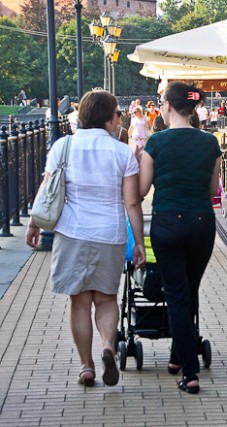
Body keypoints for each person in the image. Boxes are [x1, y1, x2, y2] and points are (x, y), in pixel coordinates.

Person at [25, 90, 145, 388]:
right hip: (110, 234)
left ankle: (86, 366)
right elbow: (131, 202)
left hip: (72, 233)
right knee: (106, 299)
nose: (121, 119)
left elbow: (47, 188)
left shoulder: (63, 146)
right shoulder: (121, 152)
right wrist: (139, 241)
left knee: (79, 302)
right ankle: (108, 345)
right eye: (118, 114)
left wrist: (33, 224)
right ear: (107, 118)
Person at [139, 82, 222, 395]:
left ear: (168, 107)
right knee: (190, 289)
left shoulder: (156, 142)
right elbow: (213, 190)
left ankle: (189, 371)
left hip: (168, 224)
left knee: (175, 295)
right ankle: (178, 356)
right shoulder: (210, 142)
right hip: (202, 223)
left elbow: (143, 189)